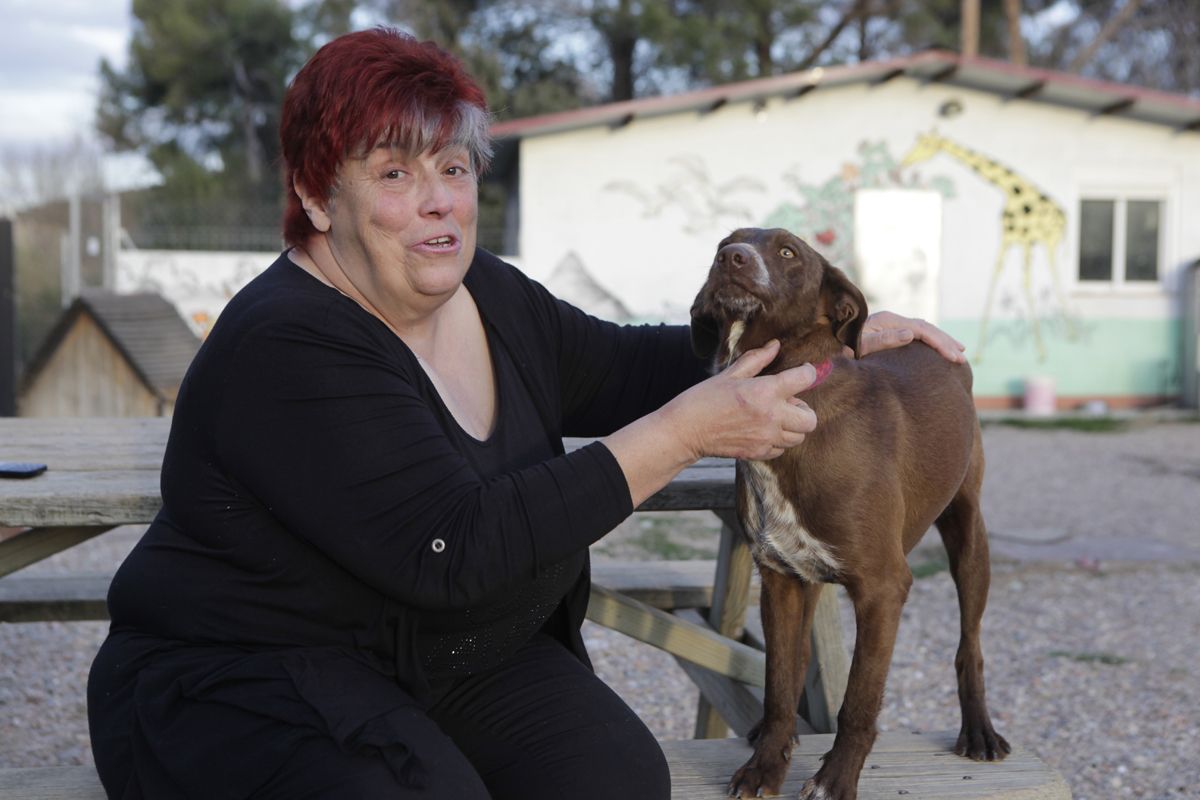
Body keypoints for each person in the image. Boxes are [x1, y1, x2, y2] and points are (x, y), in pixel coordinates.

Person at [87, 27, 966, 800]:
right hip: (249, 671)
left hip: (444, 658)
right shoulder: (286, 346)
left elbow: (631, 364)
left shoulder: (488, 292)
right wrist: (687, 433)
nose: (438, 199)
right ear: (318, 197)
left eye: (454, 167)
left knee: (614, 779)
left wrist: (830, 336)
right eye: (395, 172)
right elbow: (453, 546)